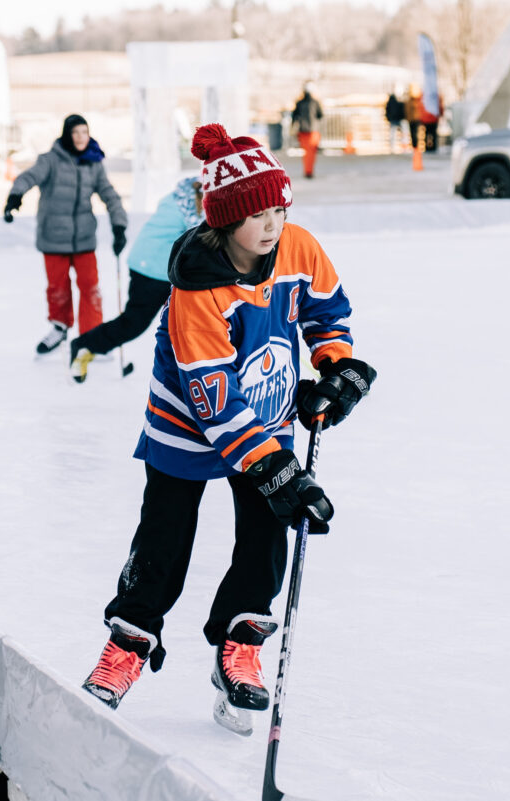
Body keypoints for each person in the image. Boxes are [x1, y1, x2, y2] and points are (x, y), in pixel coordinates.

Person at [81, 124, 377, 717]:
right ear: (225, 221)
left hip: (265, 417)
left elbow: (326, 313)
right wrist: (276, 468)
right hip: (189, 425)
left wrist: (335, 369)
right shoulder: (197, 289)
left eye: (278, 208)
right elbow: (212, 398)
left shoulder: (298, 248)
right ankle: (129, 643)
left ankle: (239, 645)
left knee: (267, 538)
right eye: (258, 214)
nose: (273, 225)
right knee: (164, 538)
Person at [5, 114, 128, 355]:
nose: (81, 137)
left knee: (90, 287)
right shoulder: (50, 160)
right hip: (54, 237)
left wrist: (119, 225)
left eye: (85, 132)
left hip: (84, 238)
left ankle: (92, 337)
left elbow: (109, 194)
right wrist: (15, 196)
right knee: (58, 288)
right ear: (67, 135)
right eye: (76, 132)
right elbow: (29, 177)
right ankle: (59, 328)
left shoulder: (93, 163)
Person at [69, 176, 204, 383]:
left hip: (151, 264)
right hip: (152, 269)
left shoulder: (178, 197)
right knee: (135, 322)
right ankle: (85, 344)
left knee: (182, 319)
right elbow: (200, 243)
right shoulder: (191, 211)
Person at [292, 82, 323, 179]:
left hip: (303, 131)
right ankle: (309, 171)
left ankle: (307, 171)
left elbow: (294, 116)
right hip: (313, 131)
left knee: (306, 153)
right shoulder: (315, 102)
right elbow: (320, 115)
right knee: (311, 153)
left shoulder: (299, 103)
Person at [385, 87, 406, 153]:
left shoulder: (389, 103)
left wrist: (389, 118)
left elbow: (387, 111)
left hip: (393, 120)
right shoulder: (399, 102)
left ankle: (392, 147)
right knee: (402, 134)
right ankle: (403, 147)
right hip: (398, 119)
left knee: (393, 134)